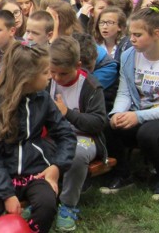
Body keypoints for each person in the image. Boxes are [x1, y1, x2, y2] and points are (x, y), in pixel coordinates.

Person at [0, 42, 76, 233]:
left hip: (37, 173)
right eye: (45, 72)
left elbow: (66, 135)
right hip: (3, 175)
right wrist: (7, 195)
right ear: (27, 78)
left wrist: (56, 167)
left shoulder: (43, 99)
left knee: (47, 206)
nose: (50, 76)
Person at [100, 4, 159, 201]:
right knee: (106, 123)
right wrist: (117, 113)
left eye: (137, 35)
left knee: (148, 132)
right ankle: (123, 174)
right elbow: (125, 92)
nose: (131, 40)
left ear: (156, 33)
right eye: (130, 34)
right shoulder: (129, 55)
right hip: (139, 113)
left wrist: (137, 116)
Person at [48, 36, 107, 231]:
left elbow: (99, 122)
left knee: (76, 154)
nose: (56, 78)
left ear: (78, 65)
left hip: (85, 138)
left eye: (63, 74)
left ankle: (67, 205)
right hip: (54, 136)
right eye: (52, 72)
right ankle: (41, 198)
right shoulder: (47, 81)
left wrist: (68, 113)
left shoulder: (90, 86)